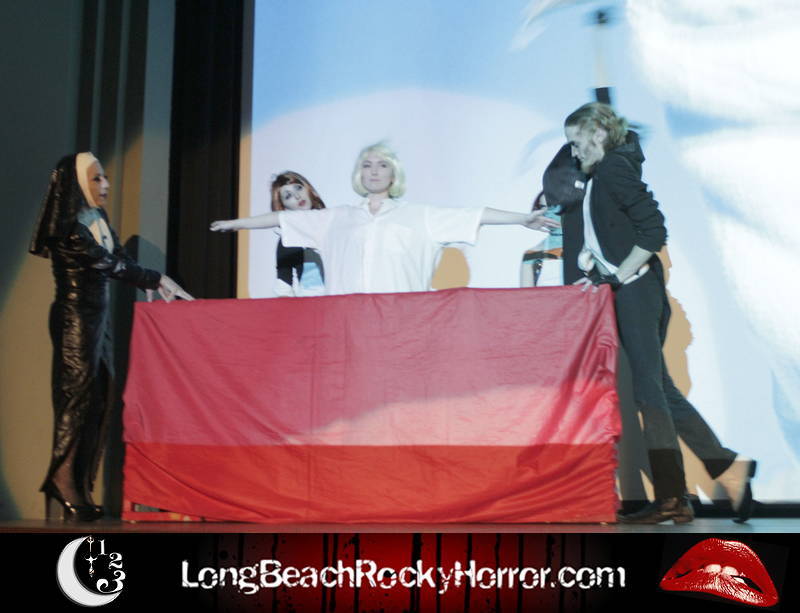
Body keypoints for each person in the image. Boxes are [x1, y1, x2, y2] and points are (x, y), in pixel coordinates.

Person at [547, 102, 756, 523]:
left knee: (649, 392)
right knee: (659, 388)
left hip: (637, 291)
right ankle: (723, 467)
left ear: (598, 134)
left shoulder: (613, 168)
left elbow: (654, 230)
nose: (572, 151)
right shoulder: (600, 174)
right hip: (630, 291)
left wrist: (619, 277)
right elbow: (606, 234)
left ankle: (672, 498)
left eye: (576, 142)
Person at [29, 152, 193, 521]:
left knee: (98, 400)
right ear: (76, 184)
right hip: (74, 318)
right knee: (75, 401)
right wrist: (154, 278)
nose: (105, 185)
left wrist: (151, 279)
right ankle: (62, 481)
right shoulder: (69, 228)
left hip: (97, 321)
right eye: (96, 178)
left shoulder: (97, 218)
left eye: (104, 177)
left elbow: (119, 258)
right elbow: (108, 263)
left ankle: (78, 482)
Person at [211, 142, 559, 294]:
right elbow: (280, 220)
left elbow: (475, 215)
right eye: (367, 165)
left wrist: (522, 218)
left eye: (382, 165)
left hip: (402, 325)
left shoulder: (419, 215)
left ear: (394, 174)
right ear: (359, 174)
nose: (374, 171)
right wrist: (235, 224)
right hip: (346, 323)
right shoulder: (335, 218)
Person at [269, 171, 325, 296]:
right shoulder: (288, 238)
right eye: (288, 196)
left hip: (346, 299)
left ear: (308, 188)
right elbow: (283, 287)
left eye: (298, 188)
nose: (297, 196)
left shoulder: (332, 221)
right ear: (283, 207)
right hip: (312, 302)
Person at [519, 191, 563, 287]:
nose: (547, 213)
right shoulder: (532, 254)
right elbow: (526, 295)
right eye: (542, 207)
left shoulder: (589, 249)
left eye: (553, 206)